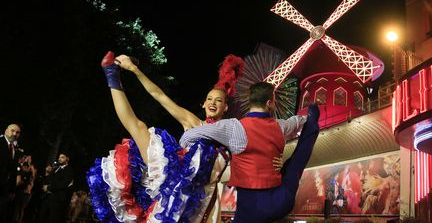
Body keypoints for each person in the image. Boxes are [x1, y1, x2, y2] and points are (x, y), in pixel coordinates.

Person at [87, 51, 253, 222]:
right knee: (139, 127)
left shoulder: (230, 133)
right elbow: (160, 96)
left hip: (201, 200)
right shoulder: (193, 122)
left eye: (218, 100)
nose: (213, 102)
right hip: (173, 178)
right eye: (209, 99)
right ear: (203, 104)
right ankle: (112, 74)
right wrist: (135, 70)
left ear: (225, 107)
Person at [180, 81, 321, 222]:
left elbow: (187, 137)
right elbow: (296, 122)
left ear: (250, 101)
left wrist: (208, 148)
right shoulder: (280, 126)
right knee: (295, 164)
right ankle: (314, 121)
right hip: (281, 201)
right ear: (269, 103)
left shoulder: (233, 127)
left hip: (250, 209)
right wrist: (307, 119)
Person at [39, 153, 74, 223]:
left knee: (52, 219)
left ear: (67, 159)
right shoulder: (55, 168)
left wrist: (49, 187)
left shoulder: (69, 170)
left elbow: (63, 184)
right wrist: (47, 173)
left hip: (57, 199)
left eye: (62, 157)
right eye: (59, 157)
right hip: (47, 197)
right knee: (41, 218)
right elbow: (48, 180)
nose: (59, 159)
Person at [0, 123, 21, 222]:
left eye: (17, 132)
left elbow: (13, 172)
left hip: (5, 190)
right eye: (12, 130)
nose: (14, 134)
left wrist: (12, 190)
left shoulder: (15, 150)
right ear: (5, 131)